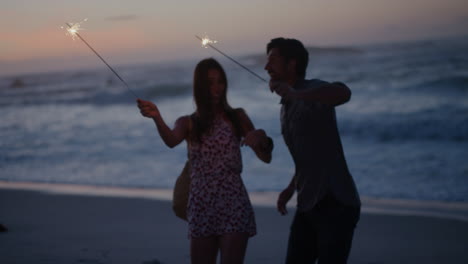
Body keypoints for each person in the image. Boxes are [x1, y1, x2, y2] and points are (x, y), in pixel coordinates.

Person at [137, 58, 273, 264]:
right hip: (202, 204)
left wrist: (262, 139)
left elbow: (266, 157)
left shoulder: (237, 117)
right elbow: (171, 141)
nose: (217, 88)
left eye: (220, 82)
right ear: (200, 87)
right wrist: (157, 117)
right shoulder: (188, 122)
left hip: (233, 201)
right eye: (210, 83)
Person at [264, 37, 361, 264]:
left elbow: (343, 93)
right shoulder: (285, 106)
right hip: (307, 203)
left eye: (273, 61)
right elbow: (308, 156)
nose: (267, 67)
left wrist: (296, 94)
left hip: (336, 202)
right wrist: (290, 188)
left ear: (292, 64)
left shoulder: (313, 90)